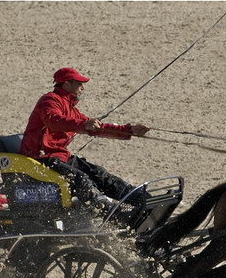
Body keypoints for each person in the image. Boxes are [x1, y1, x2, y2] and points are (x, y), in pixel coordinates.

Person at [19, 67, 150, 212]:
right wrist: (83, 125)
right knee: (80, 178)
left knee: (99, 174)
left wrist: (129, 129)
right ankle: (110, 213)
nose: (82, 88)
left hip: (60, 157)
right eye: (79, 84)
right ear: (67, 84)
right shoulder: (49, 100)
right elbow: (54, 120)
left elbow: (99, 128)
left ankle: (144, 199)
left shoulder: (71, 108)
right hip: (39, 159)